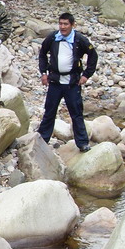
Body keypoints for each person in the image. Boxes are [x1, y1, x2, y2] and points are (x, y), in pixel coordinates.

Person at [37, 12, 98, 153]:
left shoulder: (80, 39)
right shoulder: (53, 37)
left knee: (76, 113)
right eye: (60, 24)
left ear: (72, 25)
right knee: (49, 111)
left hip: (72, 83)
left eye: (66, 24)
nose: (62, 27)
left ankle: (82, 143)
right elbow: (42, 54)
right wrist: (43, 73)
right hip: (55, 81)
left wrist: (86, 75)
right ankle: (42, 139)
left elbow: (93, 55)